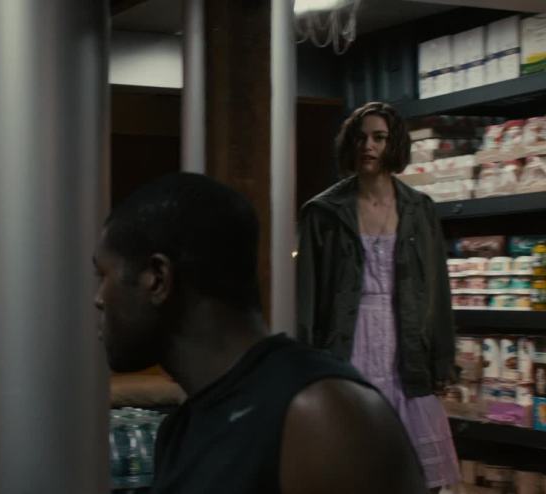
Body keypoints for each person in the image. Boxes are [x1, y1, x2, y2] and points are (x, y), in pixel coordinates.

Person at [93, 172, 426, 494]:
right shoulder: (179, 431)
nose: (98, 299)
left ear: (157, 278)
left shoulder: (318, 416)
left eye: (103, 275)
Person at [296, 101, 460, 492]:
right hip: (347, 343)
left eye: (379, 138)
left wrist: (442, 360)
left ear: (394, 144)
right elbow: (306, 297)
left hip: (406, 345)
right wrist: (305, 366)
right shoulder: (323, 212)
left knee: (419, 475)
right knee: (351, 468)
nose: (368, 146)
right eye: (361, 137)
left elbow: (437, 288)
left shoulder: (419, 209)